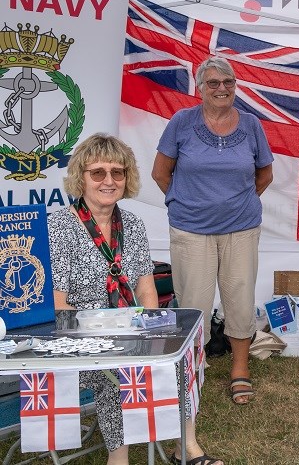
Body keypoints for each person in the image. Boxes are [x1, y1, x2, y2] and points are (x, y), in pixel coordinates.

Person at [48, 134, 222, 465]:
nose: (109, 181)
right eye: (98, 172)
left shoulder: (133, 224)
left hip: (131, 329)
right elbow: (57, 304)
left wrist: (151, 334)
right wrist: (110, 333)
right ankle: (119, 458)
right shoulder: (58, 226)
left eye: (118, 172)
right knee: (118, 372)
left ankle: (185, 448)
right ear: (80, 177)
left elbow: (145, 290)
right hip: (78, 337)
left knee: (180, 357)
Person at [152, 56, 274, 406]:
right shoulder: (181, 122)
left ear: (235, 86)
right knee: (194, 304)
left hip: (241, 229)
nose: (222, 88)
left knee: (239, 299)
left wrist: (238, 203)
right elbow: (161, 173)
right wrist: (184, 203)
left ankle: (239, 369)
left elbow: (264, 175)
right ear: (200, 88)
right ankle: (192, 371)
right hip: (191, 230)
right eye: (214, 83)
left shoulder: (251, 125)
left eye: (228, 82)